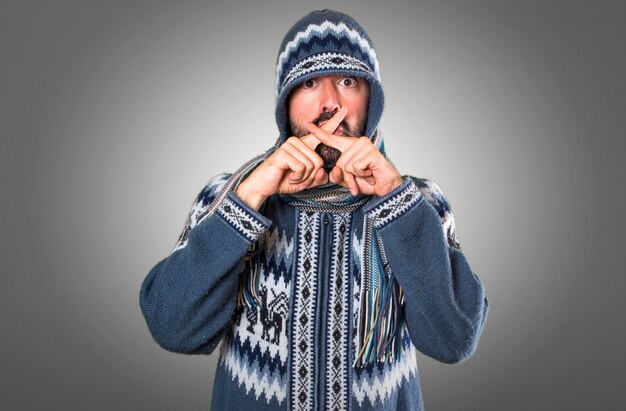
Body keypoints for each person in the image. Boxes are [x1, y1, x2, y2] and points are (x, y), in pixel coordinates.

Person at [140, 9, 488, 411]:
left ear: (371, 99)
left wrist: (396, 197)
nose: (330, 104)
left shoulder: (420, 202)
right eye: (308, 83)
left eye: (347, 82)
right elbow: (172, 328)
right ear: (285, 103)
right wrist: (249, 198)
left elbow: (454, 340)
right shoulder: (230, 195)